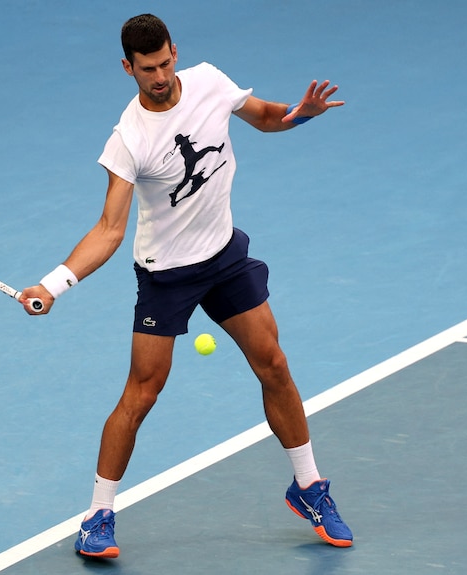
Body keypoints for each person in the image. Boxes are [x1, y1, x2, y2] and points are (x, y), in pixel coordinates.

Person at [19, 13, 352, 558]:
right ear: (127, 68)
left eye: (166, 62)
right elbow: (109, 230)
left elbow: (267, 118)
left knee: (273, 363)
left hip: (224, 257)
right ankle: (97, 514)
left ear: (176, 51)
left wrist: (301, 115)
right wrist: (54, 285)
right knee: (142, 392)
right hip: (166, 276)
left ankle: (309, 486)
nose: (161, 75)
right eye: (148, 69)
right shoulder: (128, 139)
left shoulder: (210, 82)